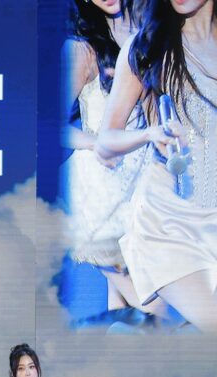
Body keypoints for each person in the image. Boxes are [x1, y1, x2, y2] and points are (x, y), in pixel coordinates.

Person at [96, 0, 217, 332]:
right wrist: (150, 133)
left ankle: (133, 340)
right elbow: (105, 142)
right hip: (170, 224)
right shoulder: (147, 48)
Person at [61, 0, 168, 323]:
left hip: (140, 189)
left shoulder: (149, 36)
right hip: (100, 195)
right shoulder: (81, 50)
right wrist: (98, 142)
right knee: (152, 307)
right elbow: (47, 125)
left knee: (122, 313)